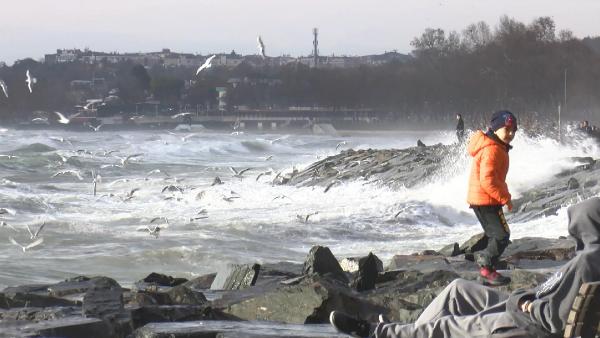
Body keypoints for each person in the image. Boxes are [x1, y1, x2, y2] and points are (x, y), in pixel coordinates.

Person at [330, 197, 600, 338]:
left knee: (446, 327)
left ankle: (377, 333)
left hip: (524, 326)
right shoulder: (590, 257)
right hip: (529, 311)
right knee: (457, 290)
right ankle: (405, 332)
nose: (572, 233)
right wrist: (527, 299)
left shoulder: (587, 263)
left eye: (577, 227)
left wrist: (525, 303)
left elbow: (552, 318)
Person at [467, 110, 518, 286]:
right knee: (502, 235)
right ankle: (486, 265)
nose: (511, 134)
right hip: (486, 200)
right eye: (507, 129)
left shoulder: (494, 146)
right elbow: (487, 180)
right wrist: (505, 198)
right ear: (496, 129)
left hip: (480, 200)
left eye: (514, 130)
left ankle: (485, 265)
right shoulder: (492, 150)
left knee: (494, 235)